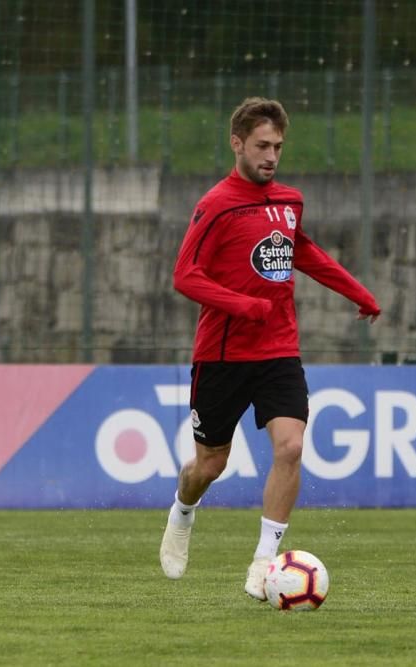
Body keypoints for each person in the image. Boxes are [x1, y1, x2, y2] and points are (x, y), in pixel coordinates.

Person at [160, 97, 380, 600]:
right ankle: (183, 511)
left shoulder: (289, 201)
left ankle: (264, 562)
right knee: (208, 466)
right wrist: (242, 305)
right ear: (237, 144)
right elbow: (184, 275)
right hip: (221, 354)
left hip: (278, 348)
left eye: (278, 146)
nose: (271, 156)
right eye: (262, 145)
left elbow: (303, 252)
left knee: (291, 446)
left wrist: (357, 291)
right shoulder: (216, 204)